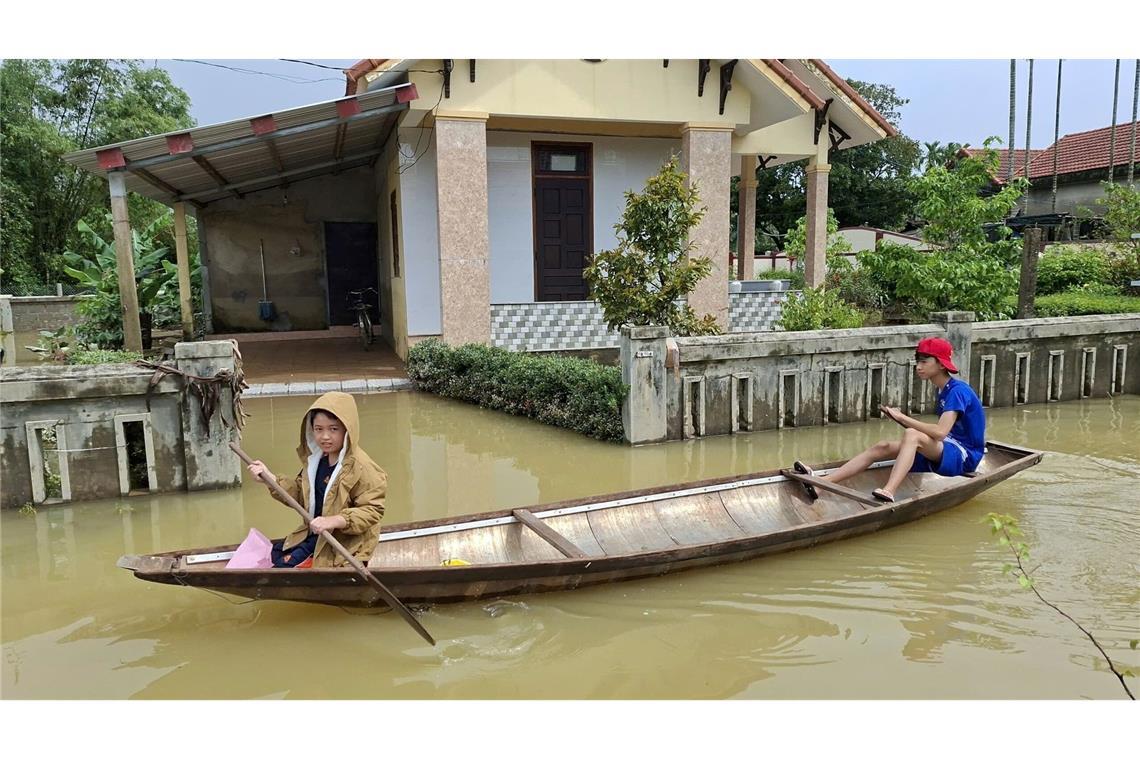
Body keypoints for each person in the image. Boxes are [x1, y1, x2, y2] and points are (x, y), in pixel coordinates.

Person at [794, 337, 986, 503]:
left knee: (912, 435)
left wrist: (904, 418)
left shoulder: (957, 391)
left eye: (925, 361)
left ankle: (889, 491)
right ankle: (823, 483)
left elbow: (940, 432)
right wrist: (900, 419)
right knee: (883, 446)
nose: (918, 366)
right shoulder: (943, 389)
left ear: (941, 364)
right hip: (948, 446)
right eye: (918, 361)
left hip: (965, 455)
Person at [245, 391, 386, 568]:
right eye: (319, 429)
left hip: (342, 545)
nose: (325, 436)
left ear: (347, 430)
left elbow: (372, 511)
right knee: (271, 554)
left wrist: (332, 521)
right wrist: (270, 479)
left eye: (333, 429)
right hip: (313, 535)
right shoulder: (316, 461)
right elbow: (301, 494)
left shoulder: (363, 467)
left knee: (282, 567)